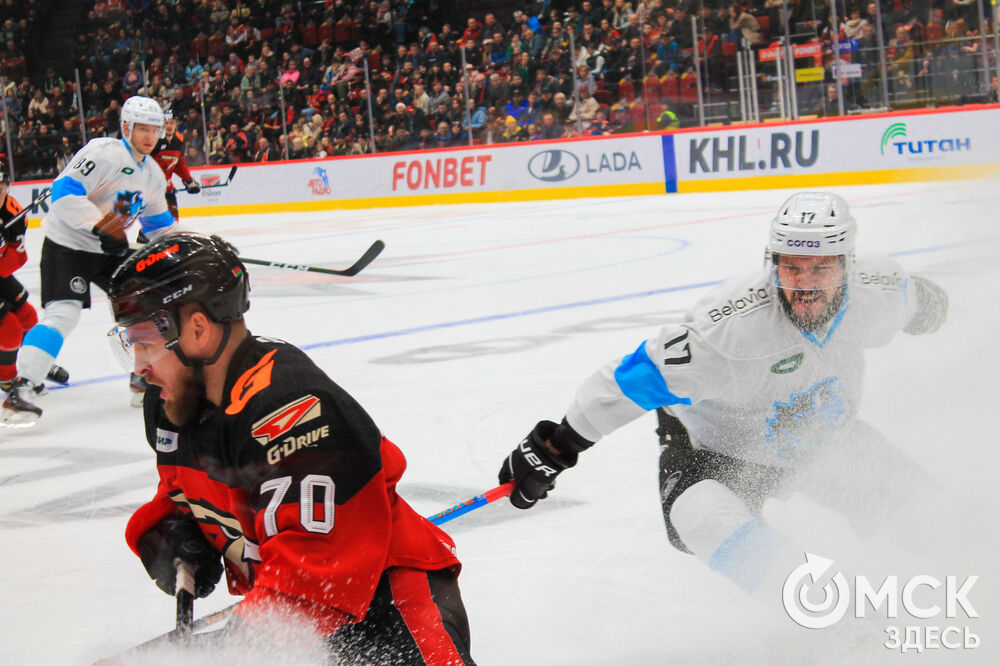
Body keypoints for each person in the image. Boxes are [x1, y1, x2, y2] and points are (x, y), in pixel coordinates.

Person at [498, 192, 949, 599]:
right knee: (698, 517)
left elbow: (918, 300)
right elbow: (633, 379)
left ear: (848, 264)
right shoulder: (725, 330)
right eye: (791, 266)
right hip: (715, 450)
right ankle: (831, 610)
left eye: (821, 267)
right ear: (772, 263)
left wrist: (931, 307)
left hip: (824, 439)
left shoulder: (880, 292)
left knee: (933, 514)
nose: (804, 283)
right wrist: (553, 448)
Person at [107, 233, 475, 664]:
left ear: (198, 329)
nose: (139, 369)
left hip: (387, 609)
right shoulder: (174, 402)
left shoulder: (290, 407)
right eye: (131, 343)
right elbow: (181, 491)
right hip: (292, 616)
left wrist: (230, 653)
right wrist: (172, 533)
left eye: (147, 340)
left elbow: (314, 573)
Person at [1, 95, 177, 425]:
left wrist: (190, 245)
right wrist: (98, 223)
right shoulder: (103, 152)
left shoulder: (152, 173)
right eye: (142, 128)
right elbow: (63, 192)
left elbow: (160, 226)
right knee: (63, 314)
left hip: (107, 251)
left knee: (146, 305)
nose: (150, 136)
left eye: (154, 128)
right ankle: (22, 389)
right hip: (68, 245)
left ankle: (144, 376)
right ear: (126, 127)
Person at [152, 111, 201, 221]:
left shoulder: (180, 141)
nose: (169, 126)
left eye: (172, 122)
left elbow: (179, 163)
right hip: (151, 189)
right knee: (151, 223)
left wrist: (188, 180)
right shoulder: (153, 141)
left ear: (176, 124)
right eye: (166, 123)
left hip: (167, 187)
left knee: (173, 222)